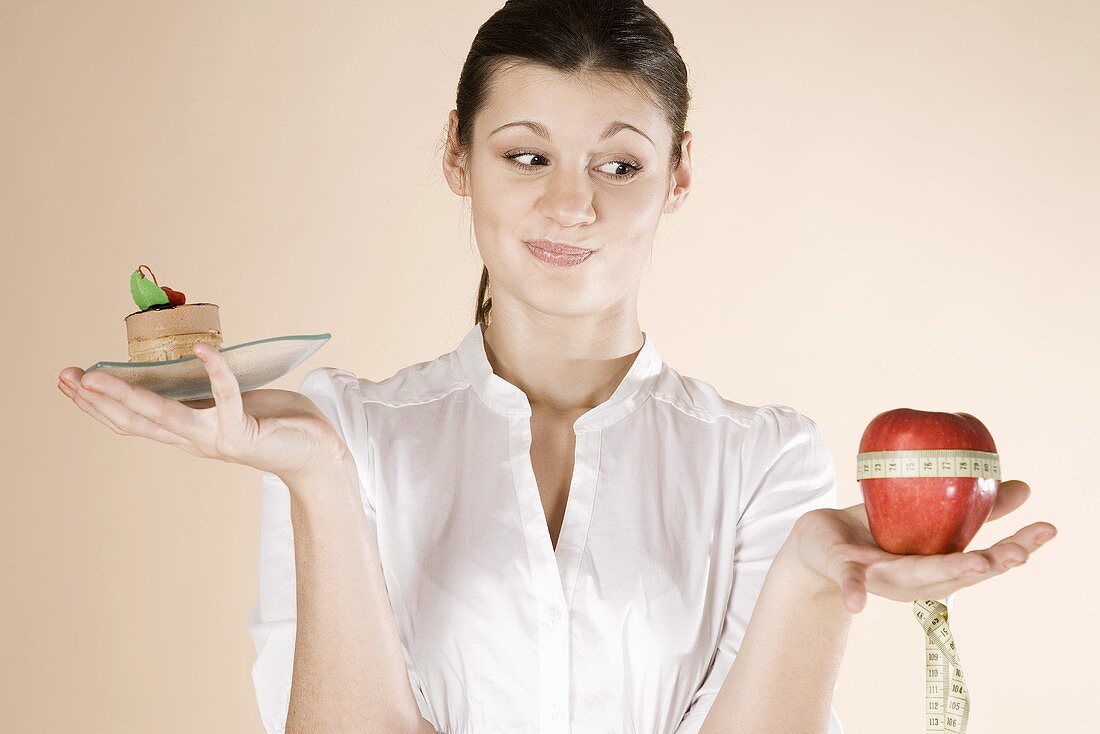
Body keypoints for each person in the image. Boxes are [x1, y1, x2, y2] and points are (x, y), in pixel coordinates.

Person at [57, 1, 1057, 733]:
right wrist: (315, 474)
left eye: (617, 164)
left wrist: (804, 579)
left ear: (678, 174)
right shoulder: (336, 431)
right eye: (524, 156)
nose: (571, 204)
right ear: (457, 156)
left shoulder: (764, 458)